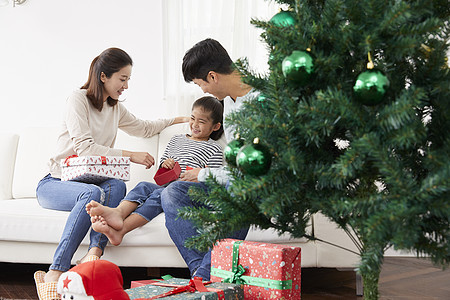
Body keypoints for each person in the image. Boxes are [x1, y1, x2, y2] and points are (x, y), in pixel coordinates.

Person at [34, 47, 188, 295]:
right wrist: (131, 156)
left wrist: (175, 120)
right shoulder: (78, 99)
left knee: (117, 185)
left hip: (90, 182)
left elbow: (144, 128)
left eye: (128, 80)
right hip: (56, 182)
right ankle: (56, 270)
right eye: (123, 79)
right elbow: (84, 148)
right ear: (104, 76)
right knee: (92, 193)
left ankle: (95, 251)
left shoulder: (114, 107)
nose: (126, 86)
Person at [160, 38, 259, 281]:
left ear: (213, 76)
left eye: (200, 84)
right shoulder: (232, 104)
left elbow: (252, 171)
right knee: (172, 193)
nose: (203, 91)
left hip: (255, 185)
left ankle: (203, 277)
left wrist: (203, 174)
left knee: (240, 189)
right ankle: (201, 272)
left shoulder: (261, 103)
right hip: (231, 182)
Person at [85, 96, 224, 246]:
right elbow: (160, 170)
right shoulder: (176, 139)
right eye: (192, 118)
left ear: (215, 127)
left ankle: (122, 229)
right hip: (167, 185)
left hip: (186, 192)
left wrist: (198, 174)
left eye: (202, 122)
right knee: (143, 185)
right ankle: (118, 212)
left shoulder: (214, 148)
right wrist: (166, 164)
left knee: (159, 194)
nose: (195, 124)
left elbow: (212, 181)